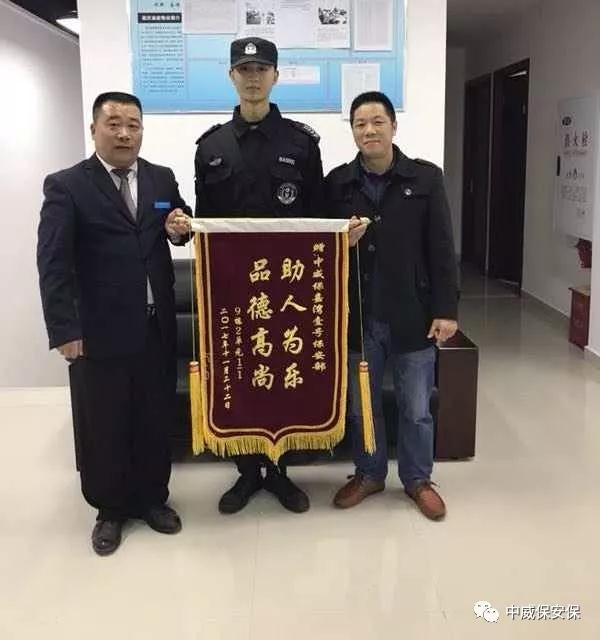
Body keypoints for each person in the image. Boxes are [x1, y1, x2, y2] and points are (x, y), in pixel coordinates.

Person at [37, 91, 192, 555]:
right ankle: (110, 508)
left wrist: (179, 225)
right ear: (94, 130)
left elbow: (179, 219)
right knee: (105, 421)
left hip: (156, 326)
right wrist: (65, 330)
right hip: (98, 330)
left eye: (133, 125)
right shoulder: (67, 185)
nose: (124, 133)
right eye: (114, 124)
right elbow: (53, 262)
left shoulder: (161, 177)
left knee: (153, 416)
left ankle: (152, 498)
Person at [194, 37, 325, 515]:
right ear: (231, 76)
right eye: (244, 69)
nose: (253, 77)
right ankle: (248, 472)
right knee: (240, 375)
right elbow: (205, 224)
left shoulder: (301, 143)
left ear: (276, 75)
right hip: (233, 288)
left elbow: (318, 219)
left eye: (262, 69)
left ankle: (282, 471)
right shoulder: (210, 147)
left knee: (287, 374)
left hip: (288, 287)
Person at [325, 91, 458, 520]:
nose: (369, 130)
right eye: (360, 124)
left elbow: (442, 247)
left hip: (413, 314)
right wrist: (340, 242)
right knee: (361, 406)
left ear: (393, 127)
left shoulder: (425, 178)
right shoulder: (337, 183)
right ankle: (369, 473)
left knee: (416, 408)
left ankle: (418, 479)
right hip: (357, 316)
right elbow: (317, 248)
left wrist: (446, 310)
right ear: (352, 131)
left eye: (377, 122)